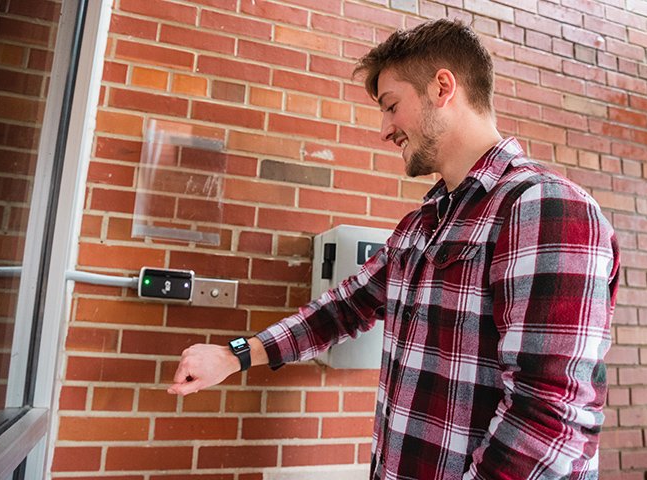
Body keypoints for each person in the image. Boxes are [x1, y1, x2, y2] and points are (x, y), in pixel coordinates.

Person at [168, 18, 620, 480]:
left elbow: (548, 420)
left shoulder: (545, 207)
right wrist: (235, 354)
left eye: (391, 106)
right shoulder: (420, 225)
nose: (385, 129)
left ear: (443, 87)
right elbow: (343, 308)